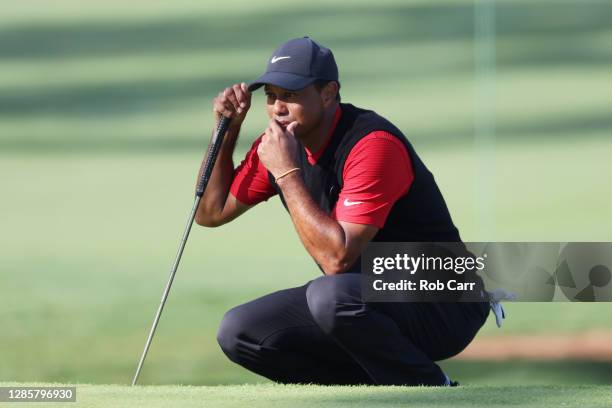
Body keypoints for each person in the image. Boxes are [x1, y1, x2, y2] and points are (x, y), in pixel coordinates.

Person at [195, 36, 491, 386]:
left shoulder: (372, 144)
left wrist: (287, 174)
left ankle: (432, 387)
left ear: (328, 93)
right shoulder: (277, 146)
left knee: (329, 295)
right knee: (240, 331)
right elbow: (210, 212)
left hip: (444, 301)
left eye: (290, 95)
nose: (277, 108)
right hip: (363, 297)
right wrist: (226, 130)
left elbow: (338, 258)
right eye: (271, 96)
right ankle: (373, 385)